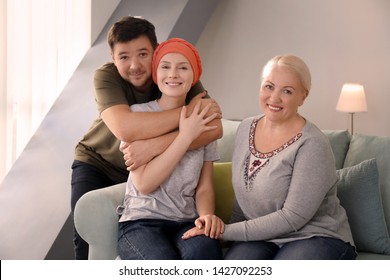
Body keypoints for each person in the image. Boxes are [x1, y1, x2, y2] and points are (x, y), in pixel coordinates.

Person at [71, 16, 222, 260]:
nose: (134, 65)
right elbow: (125, 129)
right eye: (124, 57)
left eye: (143, 54)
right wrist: (187, 120)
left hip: (143, 166)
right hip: (98, 161)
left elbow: (213, 127)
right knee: (86, 237)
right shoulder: (106, 76)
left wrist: (152, 146)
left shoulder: (175, 68)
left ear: (156, 51)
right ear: (113, 59)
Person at [182, 55, 357, 260]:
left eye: (287, 91)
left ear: (303, 96)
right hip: (262, 238)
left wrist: (225, 231)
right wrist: (219, 235)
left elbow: (293, 217)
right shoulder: (246, 128)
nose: (274, 98)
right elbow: (242, 203)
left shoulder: (312, 144)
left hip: (315, 236)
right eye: (269, 86)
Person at [117, 38, 224, 260]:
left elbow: (204, 187)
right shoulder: (138, 116)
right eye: (165, 67)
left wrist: (206, 216)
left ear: (194, 76)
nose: (173, 74)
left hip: (186, 221)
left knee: (205, 252)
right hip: (141, 222)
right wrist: (185, 136)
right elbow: (145, 184)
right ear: (156, 74)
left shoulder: (204, 121)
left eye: (183, 67)